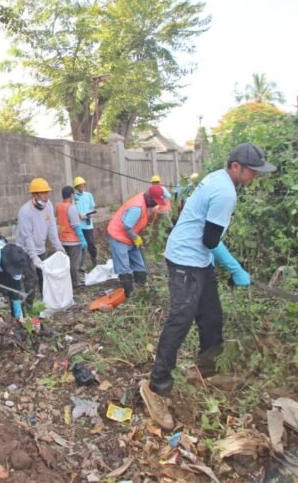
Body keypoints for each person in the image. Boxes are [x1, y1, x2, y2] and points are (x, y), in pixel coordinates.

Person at [140, 143, 276, 431]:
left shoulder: (217, 178)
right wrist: (236, 268)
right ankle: (157, 387)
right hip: (185, 260)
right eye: (252, 170)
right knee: (180, 319)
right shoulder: (225, 191)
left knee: (212, 316)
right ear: (236, 166)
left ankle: (206, 371)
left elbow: (207, 237)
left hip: (199, 260)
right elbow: (211, 240)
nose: (255, 176)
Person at [106, 185, 166, 298]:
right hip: (119, 236)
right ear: (149, 198)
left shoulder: (144, 200)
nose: (155, 204)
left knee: (139, 264)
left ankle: (142, 288)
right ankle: (129, 294)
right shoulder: (137, 208)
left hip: (130, 235)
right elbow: (127, 226)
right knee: (124, 267)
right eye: (155, 202)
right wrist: (136, 238)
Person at [17, 177, 63, 306]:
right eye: (43, 193)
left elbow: (52, 227)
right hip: (26, 251)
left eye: (47, 192)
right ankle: (28, 306)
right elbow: (27, 237)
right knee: (32, 279)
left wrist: (58, 246)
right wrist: (34, 257)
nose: (46, 196)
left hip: (41, 248)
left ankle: (46, 303)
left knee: (45, 277)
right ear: (35, 195)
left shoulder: (48, 206)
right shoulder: (25, 211)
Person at [56, 186, 88, 288]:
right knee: (74, 263)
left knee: (66, 263)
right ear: (71, 195)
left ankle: (66, 282)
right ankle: (74, 283)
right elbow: (76, 226)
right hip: (73, 240)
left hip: (63, 239)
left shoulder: (59, 207)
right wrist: (82, 239)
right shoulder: (71, 208)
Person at [72, 176, 97, 271]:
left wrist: (89, 213)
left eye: (83, 185)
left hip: (88, 225)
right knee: (81, 246)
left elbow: (92, 207)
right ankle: (82, 265)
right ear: (76, 187)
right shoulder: (74, 198)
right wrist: (79, 214)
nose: (82, 187)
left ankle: (94, 262)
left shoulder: (88, 195)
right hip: (79, 225)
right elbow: (72, 210)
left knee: (91, 244)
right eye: (80, 186)